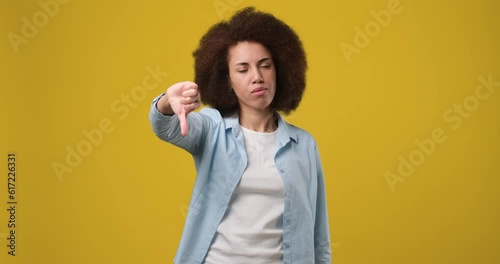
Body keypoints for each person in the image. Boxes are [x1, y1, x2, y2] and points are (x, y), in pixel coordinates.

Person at [149, 7, 331, 264]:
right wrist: (168, 101)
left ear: (280, 69)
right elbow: (165, 127)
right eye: (243, 69)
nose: (257, 77)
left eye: (265, 66)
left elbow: (318, 235)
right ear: (227, 81)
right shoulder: (212, 130)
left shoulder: (304, 145)